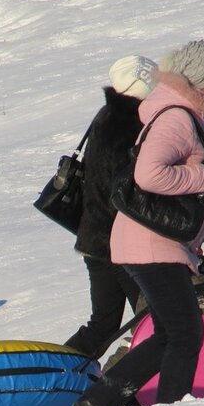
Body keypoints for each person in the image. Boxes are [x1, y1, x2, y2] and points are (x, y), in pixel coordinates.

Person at [73, 39, 204, 406]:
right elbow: (151, 175)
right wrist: (203, 173)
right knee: (186, 332)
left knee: (169, 331)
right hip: (151, 244)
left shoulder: (194, 118)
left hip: (159, 243)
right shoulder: (178, 117)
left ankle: (102, 398)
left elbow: (195, 195)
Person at [63, 55, 152, 358]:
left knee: (103, 324)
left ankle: (55, 373)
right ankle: (126, 383)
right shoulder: (131, 123)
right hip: (121, 243)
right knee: (156, 319)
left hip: (94, 238)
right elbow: (129, 189)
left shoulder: (106, 115)